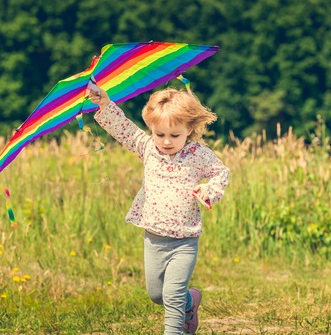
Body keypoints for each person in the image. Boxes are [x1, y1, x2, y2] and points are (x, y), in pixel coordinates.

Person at [89, 86, 230, 334]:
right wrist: (105, 105)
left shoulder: (197, 154)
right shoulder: (148, 148)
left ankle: (178, 318)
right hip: (153, 239)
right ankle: (190, 301)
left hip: (185, 240)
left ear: (189, 129)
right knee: (157, 295)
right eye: (159, 134)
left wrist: (209, 191)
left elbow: (221, 172)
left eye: (174, 135)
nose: (166, 141)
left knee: (172, 295)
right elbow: (125, 131)